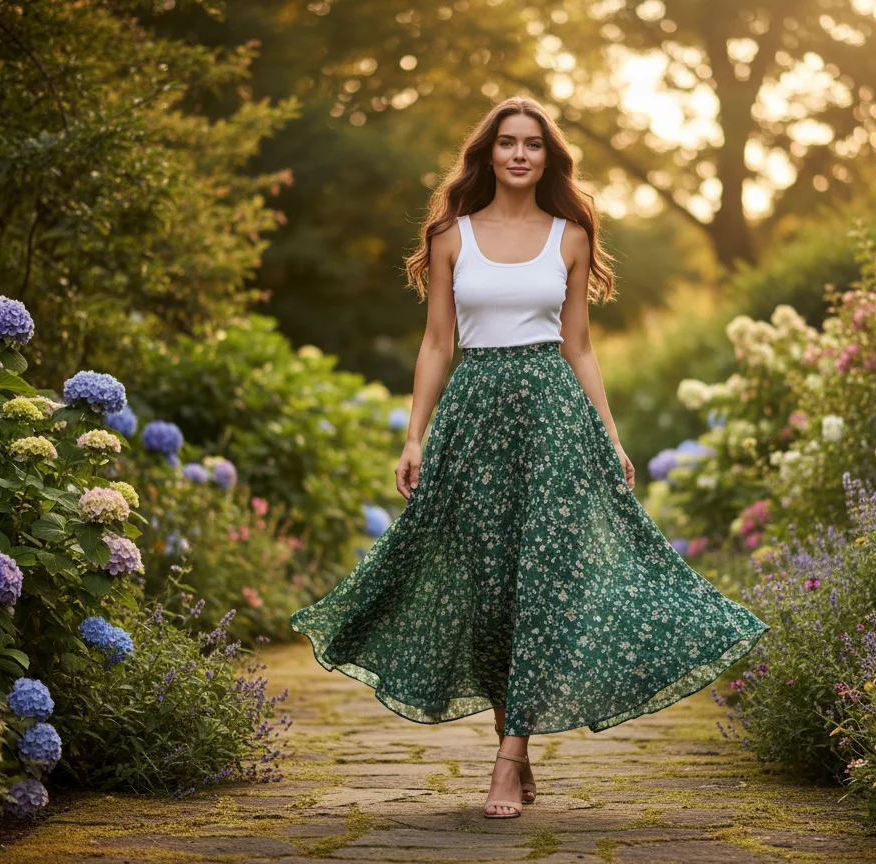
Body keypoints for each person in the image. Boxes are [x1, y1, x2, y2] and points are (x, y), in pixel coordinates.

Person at [289, 95, 769, 820]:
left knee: (544, 581)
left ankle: (508, 761)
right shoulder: (451, 233)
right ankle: (515, 742)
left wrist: (608, 433)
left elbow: (578, 345)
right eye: (507, 142)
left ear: (549, 157)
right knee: (489, 591)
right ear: (487, 154)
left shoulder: (571, 234)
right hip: (473, 423)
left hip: (554, 420)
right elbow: (437, 344)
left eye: (533, 144)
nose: (519, 154)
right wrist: (414, 434)